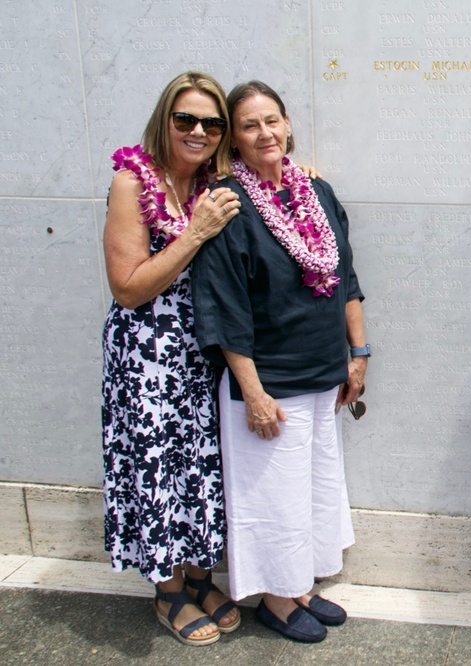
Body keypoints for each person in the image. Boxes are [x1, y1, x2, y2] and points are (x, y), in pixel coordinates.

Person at [192, 80, 367, 644]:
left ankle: (298, 585)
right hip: (270, 379)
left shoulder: (316, 191)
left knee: (310, 488)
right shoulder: (229, 205)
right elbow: (226, 308)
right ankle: (273, 596)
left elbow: (347, 278)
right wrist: (253, 391)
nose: (264, 133)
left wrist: (357, 355)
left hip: (323, 373)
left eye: (272, 120)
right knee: (272, 496)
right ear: (235, 140)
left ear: (288, 124)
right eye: (249, 125)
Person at [101, 71, 243, 646]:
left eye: (212, 123)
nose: (199, 131)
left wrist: (300, 172)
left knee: (203, 463)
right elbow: (128, 288)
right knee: (158, 465)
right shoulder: (131, 182)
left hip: (201, 352)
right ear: (165, 120)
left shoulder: (215, 181)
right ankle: (167, 593)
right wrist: (193, 233)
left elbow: (270, 169)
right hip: (147, 356)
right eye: (186, 119)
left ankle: (201, 575)